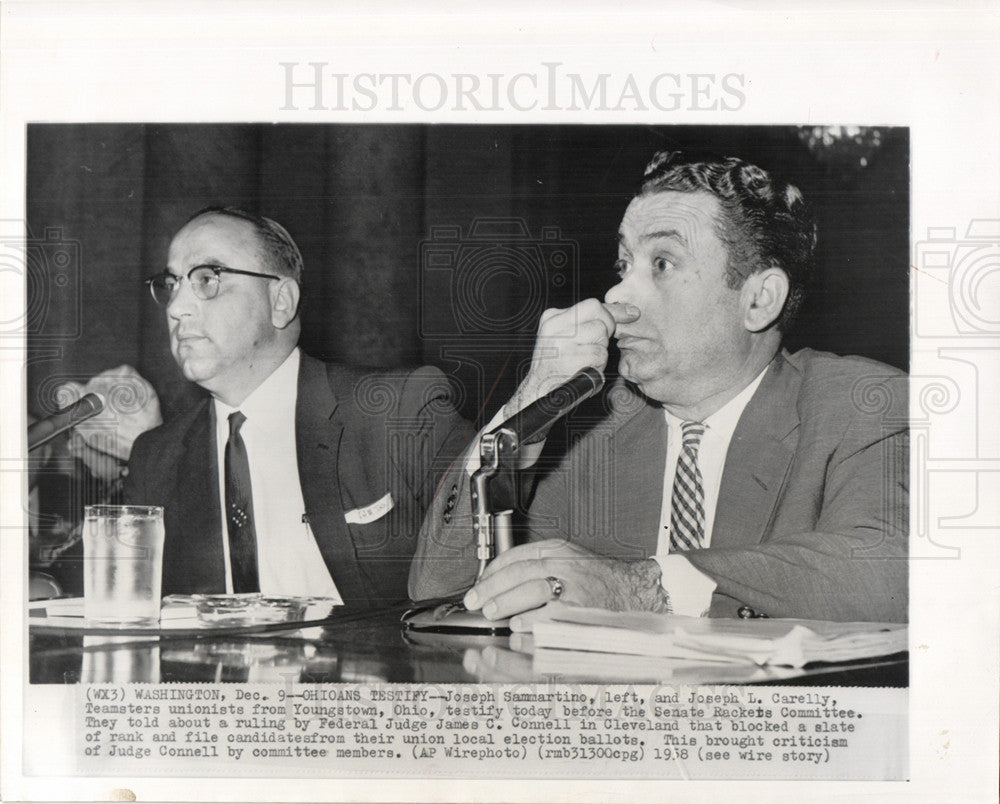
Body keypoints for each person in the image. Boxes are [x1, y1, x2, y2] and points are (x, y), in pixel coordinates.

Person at [409, 152, 908, 625]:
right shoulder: (588, 433)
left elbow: (893, 574)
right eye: (624, 265)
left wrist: (642, 589)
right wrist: (531, 400)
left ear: (759, 300)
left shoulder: (858, 403)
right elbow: (440, 588)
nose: (616, 294)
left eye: (662, 264)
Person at [124, 207, 473, 607]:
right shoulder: (156, 457)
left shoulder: (398, 411)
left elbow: (501, 552)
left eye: (206, 279)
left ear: (281, 301)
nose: (175, 308)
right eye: (171, 285)